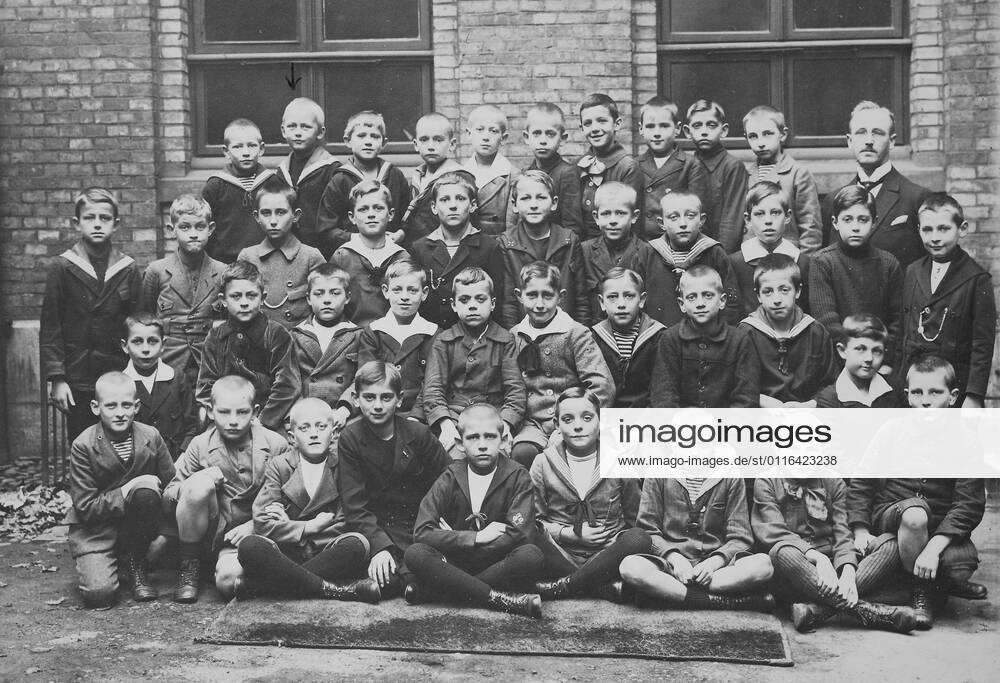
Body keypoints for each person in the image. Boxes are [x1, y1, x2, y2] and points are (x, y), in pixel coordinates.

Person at [848, 356, 988, 630]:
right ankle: (923, 593)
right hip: (895, 513)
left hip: (937, 525)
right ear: (908, 397)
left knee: (959, 562)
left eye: (935, 392)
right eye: (917, 392)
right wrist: (860, 530)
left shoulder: (965, 439)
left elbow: (968, 504)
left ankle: (929, 584)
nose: (926, 401)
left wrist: (932, 550)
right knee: (914, 515)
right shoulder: (892, 430)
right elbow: (862, 481)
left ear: (953, 397)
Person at [404, 404, 544, 618]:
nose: (482, 445)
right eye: (473, 438)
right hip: (454, 561)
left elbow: (520, 533)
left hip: (494, 562)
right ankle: (498, 598)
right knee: (415, 553)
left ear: (504, 440)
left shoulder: (518, 476)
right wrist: (475, 537)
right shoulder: (450, 476)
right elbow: (422, 531)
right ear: (460, 443)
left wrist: (450, 538)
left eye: (489, 437)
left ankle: (446, 590)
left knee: (530, 555)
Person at [235, 398, 380, 603]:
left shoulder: (343, 464)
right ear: (292, 438)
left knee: (358, 543)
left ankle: (266, 587)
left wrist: (288, 524)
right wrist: (308, 527)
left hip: (327, 550)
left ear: (334, 433)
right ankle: (336, 590)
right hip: (287, 552)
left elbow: (347, 518)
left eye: (321, 427)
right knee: (250, 546)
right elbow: (262, 521)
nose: (314, 433)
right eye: (305, 428)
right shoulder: (279, 466)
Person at [164, 376, 292, 603]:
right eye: (224, 412)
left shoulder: (275, 445)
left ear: (255, 412)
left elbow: (288, 497)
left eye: (242, 412)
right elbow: (170, 493)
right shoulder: (200, 445)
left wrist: (255, 524)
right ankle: (191, 565)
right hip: (214, 531)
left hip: (256, 533)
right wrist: (200, 478)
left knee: (228, 583)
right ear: (211, 412)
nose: (233, 421)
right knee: (199, 485)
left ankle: (263, 575)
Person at [337, 362, 451, 597]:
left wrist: (441, 517)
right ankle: (409, 578)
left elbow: (448, 480)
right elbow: (354, 505)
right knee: (386, 581)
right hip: (379, 526)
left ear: (399, 400)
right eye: (369, 398)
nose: (377, 406)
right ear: (356, 399)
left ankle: (415, 578)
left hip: (418, 524)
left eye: (386, 397)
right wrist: (380, 547)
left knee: (424, 566)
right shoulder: (351, 438)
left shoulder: (417, 434)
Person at [65, 371, 175, 607]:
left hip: (139, 527)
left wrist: (166, 536)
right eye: (111, 405)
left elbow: (172, 486)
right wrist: (127, 489)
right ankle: (112, 561)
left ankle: (135, 562)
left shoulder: (150, 436)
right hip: (97, 530)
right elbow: (85, 508)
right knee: (99, 595)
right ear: (96, 407)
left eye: (126, 405)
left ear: (136, 406)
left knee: (146, 492)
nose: (120, 412)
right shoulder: (83, 445)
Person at [753, 477, 919, 634]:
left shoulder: (833, 482)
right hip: (798, 569)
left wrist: (848, 570)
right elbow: (775, 532)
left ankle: (818, 609)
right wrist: (819, 558)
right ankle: (872, 612)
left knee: (889, 544)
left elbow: (843, 533)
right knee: (782, 552)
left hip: (834, 569)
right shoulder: (766, 481)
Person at [529, 388, 651, 600]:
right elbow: (535, 520)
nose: (578, 425)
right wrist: (567, 533)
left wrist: (621, 544)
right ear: (556, 425)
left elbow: (635, 516)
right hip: (562, 553)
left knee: (639, 538)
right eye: (568, 419)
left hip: (607, 553)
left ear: (600, 421)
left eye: (587, 418)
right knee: (529, 535)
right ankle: (599, 587)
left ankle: (567, 585)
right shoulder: (542, 462)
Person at [41, 187, 141, 440]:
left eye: (105, 218)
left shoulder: (127, 269)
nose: (97, 224)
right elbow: (51, 327)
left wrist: (136, 369)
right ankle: (84, 481)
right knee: (83, 440)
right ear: (77, 223)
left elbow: (138, 323)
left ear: (116, 224)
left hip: (117, 372)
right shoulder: (62, 267)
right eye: (89, 218)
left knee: (122, 439)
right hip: (78, 376)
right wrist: (57, 378)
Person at [510, 262, 614, 468]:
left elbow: (602, 386)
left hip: (573, 419)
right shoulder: (514, 336)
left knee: (567, 455)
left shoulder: (576, 333)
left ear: (561, 296)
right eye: (532, 295)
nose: (539, 304)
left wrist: (580, 419)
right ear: (519, 295)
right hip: (532, 424)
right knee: (522, 453)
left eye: (547, 295)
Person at [898, 193, 996, 407]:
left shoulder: (976, 279)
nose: (934, 237)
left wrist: (974, 395)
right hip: (915, 382)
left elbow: (982, 344)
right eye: (927, 229)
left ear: (962, 229)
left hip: (953, 385)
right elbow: (905, 328)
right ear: (919, 230)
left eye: (943, 229)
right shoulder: (913, 271)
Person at [619, 478, 774, 611]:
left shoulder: (730, 474)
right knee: (630, 567)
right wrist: (675, 558)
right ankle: (716, 601)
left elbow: (740, 537)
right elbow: (648, 531)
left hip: (715, 569)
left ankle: (669, 593)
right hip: (671, 565)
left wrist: (713, 563)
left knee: (763, 566)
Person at [422, 268, 525, 459]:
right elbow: (433, 389)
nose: (472, 306)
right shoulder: (444, 341)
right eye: (464, 300)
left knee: (499, 455)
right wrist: (446, 425)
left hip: (493, 417)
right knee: (452, 454)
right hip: (454, 417)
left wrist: (505, 426)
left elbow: (515, 391)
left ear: (493, 303)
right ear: (453, 305)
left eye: (480, 299)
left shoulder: (505, 340)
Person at [822, 100, 931, 266]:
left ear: (892, 141)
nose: (869, 140)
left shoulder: (916, 197)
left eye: (878, 133)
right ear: (850, 141)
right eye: (861, 132)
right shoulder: (833, 200)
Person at [196, 261, 298, 432]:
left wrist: (263, 421)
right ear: (223, 300)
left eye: (251, 296)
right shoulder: (215, 337)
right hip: (225, 421)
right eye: (236, 296)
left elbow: (287, 385)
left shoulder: (277, 334)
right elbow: (206, 385)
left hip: (266, 420)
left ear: (263, 298)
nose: (244, 302)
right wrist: (220, 417)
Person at [810, 184, 903, 370]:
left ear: (874, 222)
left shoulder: (889, 263)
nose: (855, 227)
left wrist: (882, 358)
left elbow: (898, 320)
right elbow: (827, 319)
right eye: (847, 219)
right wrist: (852, 359)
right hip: (839, 362)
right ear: (835, 222)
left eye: (862, 220)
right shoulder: (822, 262)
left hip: (878, 361)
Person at [140, 194, 226, 388]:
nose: (193, 233)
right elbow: (144, 318)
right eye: (185, 227)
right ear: (172, 230)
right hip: (168, 357)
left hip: (208, 358)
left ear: (210, 229)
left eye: (200, 227)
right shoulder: (157, 271)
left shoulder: (221, 272)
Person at [650, 266, 760, 408]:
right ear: (682, 304)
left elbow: (746, 398)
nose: (700, 303)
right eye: (692, 297)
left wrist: (720, 425)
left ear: (722, 301)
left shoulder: (739, 340)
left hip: (726, 426)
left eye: (708, 295)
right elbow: (663, 395)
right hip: (682, 425)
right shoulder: (670, 339)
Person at [739, 254, 837, 407]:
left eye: (784, 290)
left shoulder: (815, 331)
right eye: (768, 291)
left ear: (798, 291)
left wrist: (810, 405)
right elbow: (738, 385)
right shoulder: (747, 332)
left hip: (806, 413)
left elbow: (832, 383)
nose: (777, 299)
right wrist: (763, 401)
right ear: (758, 295)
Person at [409, 171, 505, 328]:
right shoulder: (420, 248)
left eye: (460, 199)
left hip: (475, 335)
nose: (453, 205)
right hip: (432, 338)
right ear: (434, 207)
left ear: (472, 205)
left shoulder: (489, 247)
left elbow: (498, 301)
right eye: (445, 200)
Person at [499, 170, 587, 326]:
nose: (533, 205)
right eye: (525, 198)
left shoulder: (569, 240)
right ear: (514, 205)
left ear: (554, 203)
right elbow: (508, 301)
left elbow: (581, 297)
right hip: (524, 331)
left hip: (564, 330)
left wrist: (582, 333)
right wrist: (513, 340)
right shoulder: (507, 243)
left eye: (541, 197)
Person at [237, 178, 326, 328]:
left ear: (295, 216)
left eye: (280, 212)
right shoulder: (248, 257)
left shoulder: (311, 257)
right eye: (266, 213)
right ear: (256, 216)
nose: (273, 221)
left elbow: (324, 306)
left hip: (299, 343)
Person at [316, 110, 410, 252]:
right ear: (347, 141)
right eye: (361, 136)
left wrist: (401, 233)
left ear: (383, 143)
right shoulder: (339, 180)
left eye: (374, 136)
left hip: (390, 250)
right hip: (353, 253)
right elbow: (326, 228)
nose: (368, 141)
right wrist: (354, 239)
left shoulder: (395, 175)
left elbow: (409, 217)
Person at [644, 191, 741, 327]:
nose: (683, 223)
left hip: (708, 337)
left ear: (701, 220)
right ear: (661, 223)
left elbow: (731, 303)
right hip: (659, 335)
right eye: (673, 217)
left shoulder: (714, 252)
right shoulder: (648, 253)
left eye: (690, 216)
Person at [358, 259, 437, 420]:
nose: (404, 297)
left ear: (425, 293)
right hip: (379, 411)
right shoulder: (374, 332)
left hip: (419, 414)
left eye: (412, 290)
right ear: (386, 291)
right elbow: (367, 378)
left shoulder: (433, 333)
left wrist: (416, 416)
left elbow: (432, 384)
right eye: (397, 290)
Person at [329, 180, 410, 327]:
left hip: (392, 337)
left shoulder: (401, 257)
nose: (371, 214)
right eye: (363, 209)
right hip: (352, 337)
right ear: (352, 217)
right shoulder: (342, 256)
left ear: (390, 214)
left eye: (378, 208)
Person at [289, 264, 361, 428]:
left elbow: (361, 379)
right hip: (305, 414)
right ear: (308, 298)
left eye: (335, 293)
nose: (327, 299)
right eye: (319, 293)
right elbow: (290, 381)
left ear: (347, 297)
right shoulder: (296, 335)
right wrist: (300, 411)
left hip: (344, 415)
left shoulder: (357, 335)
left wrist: (345, 409)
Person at [743, 105, 821, 253]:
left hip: (787, 256)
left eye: (767, 134)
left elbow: (810, 225)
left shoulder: (798, 173)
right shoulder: (746, 173)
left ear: (783, 134)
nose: (760, 142)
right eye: (753, 136)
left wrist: (806, 265)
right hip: (752, 254)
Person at [728, 181, 811, 317]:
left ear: (788, 217)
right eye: (759, 214)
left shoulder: (802, 262)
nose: (768, 220)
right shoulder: (735, 263)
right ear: (748, 219)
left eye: (775, 213)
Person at [120, 313, 198, 457]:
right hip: (136, 463)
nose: (145, 349)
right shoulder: (121, 384)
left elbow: (192, 426)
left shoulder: (177, 378)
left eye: (152, 341)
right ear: (125, 346)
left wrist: (183, 456)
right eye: (137, 341)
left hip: (176, 460)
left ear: (163, 344)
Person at [579, 182, 656, 325]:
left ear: (634, 216)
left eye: (620, 213)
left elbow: (652, 302)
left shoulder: (647, 251)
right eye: (606, 213)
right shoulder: (584, 251)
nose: (613, 220)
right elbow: (581, 301)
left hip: (637, 332)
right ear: (596, 217)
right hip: (596, 333)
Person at [201, 118, 275, 263]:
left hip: (266, 259)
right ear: (226, 151)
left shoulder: (272, 182)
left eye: (252, 146)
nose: (246, 152)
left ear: (262, 149)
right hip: (227, 262)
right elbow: (205, 227)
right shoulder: (216, 185)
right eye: (238, 147)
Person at [590, 268, 665, 408]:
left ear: (641, 300)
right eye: (612, 297)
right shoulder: (594, 338)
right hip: (606, 414)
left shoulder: (657, 337)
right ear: (601, 302)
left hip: (644, 415)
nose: (621, 304)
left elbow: (660, 389)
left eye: (629, 296)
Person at [276, 97, 341, 256]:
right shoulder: (282, 170)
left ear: (320, 132)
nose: (298, 132)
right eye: (292, 126)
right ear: (283, 130)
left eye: (305, 127)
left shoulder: (332, 169)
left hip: (322, 248)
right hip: (287, 247)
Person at [637, 96, 709, 241]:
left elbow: (696, 212)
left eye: (664, 126)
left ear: (677, 128)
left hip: (677, 243)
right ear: (641, 129)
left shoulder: (691, 165)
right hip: (643, 244)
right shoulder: (634, 165)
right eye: (650, 126)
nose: (657, 132)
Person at [686, 99, 750, 253]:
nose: (704, 131)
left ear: (724, 130)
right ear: (688, 132)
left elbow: (732, 221)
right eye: (697, 126)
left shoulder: (732, 166)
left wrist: (720, 256)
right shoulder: (686, 165)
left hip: (720, 251)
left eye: (711, 125)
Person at [403, 112, 477, 244]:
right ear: (415, 144)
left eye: (438, 139)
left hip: (445, 246)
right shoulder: (418, 176)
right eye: (424, 139)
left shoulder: (460, 177)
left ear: (452, 144)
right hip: (415, 247)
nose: (431, 146)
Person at [577, 93, 642, 241]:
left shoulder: (627, 167)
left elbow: (633, 223)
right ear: (581, 128)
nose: (594, 128)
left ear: (617, 123)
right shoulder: (579, 165)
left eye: (601, 121)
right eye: (588, 123)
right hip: (583, 249)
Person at [521, 102, 583, 235]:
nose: (543, 140)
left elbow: (572, 226)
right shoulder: (525, 175)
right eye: (537, 133)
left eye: (550, 134)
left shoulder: (568, 173)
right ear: (526, 137)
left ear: (563, 138)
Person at [815, 314, 900, 408]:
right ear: (842, 350)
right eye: (861, 349)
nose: (869, 358)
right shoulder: (830, 399)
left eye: (877, 351)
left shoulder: (893, 389)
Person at [462, 104, 514, 235]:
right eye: (480, 129)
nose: (486, 137)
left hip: (498, 247)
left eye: (493, 131)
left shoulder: (512, 175)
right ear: (469, 134)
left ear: (504, 138)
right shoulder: (460, 174)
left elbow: (512, 224)